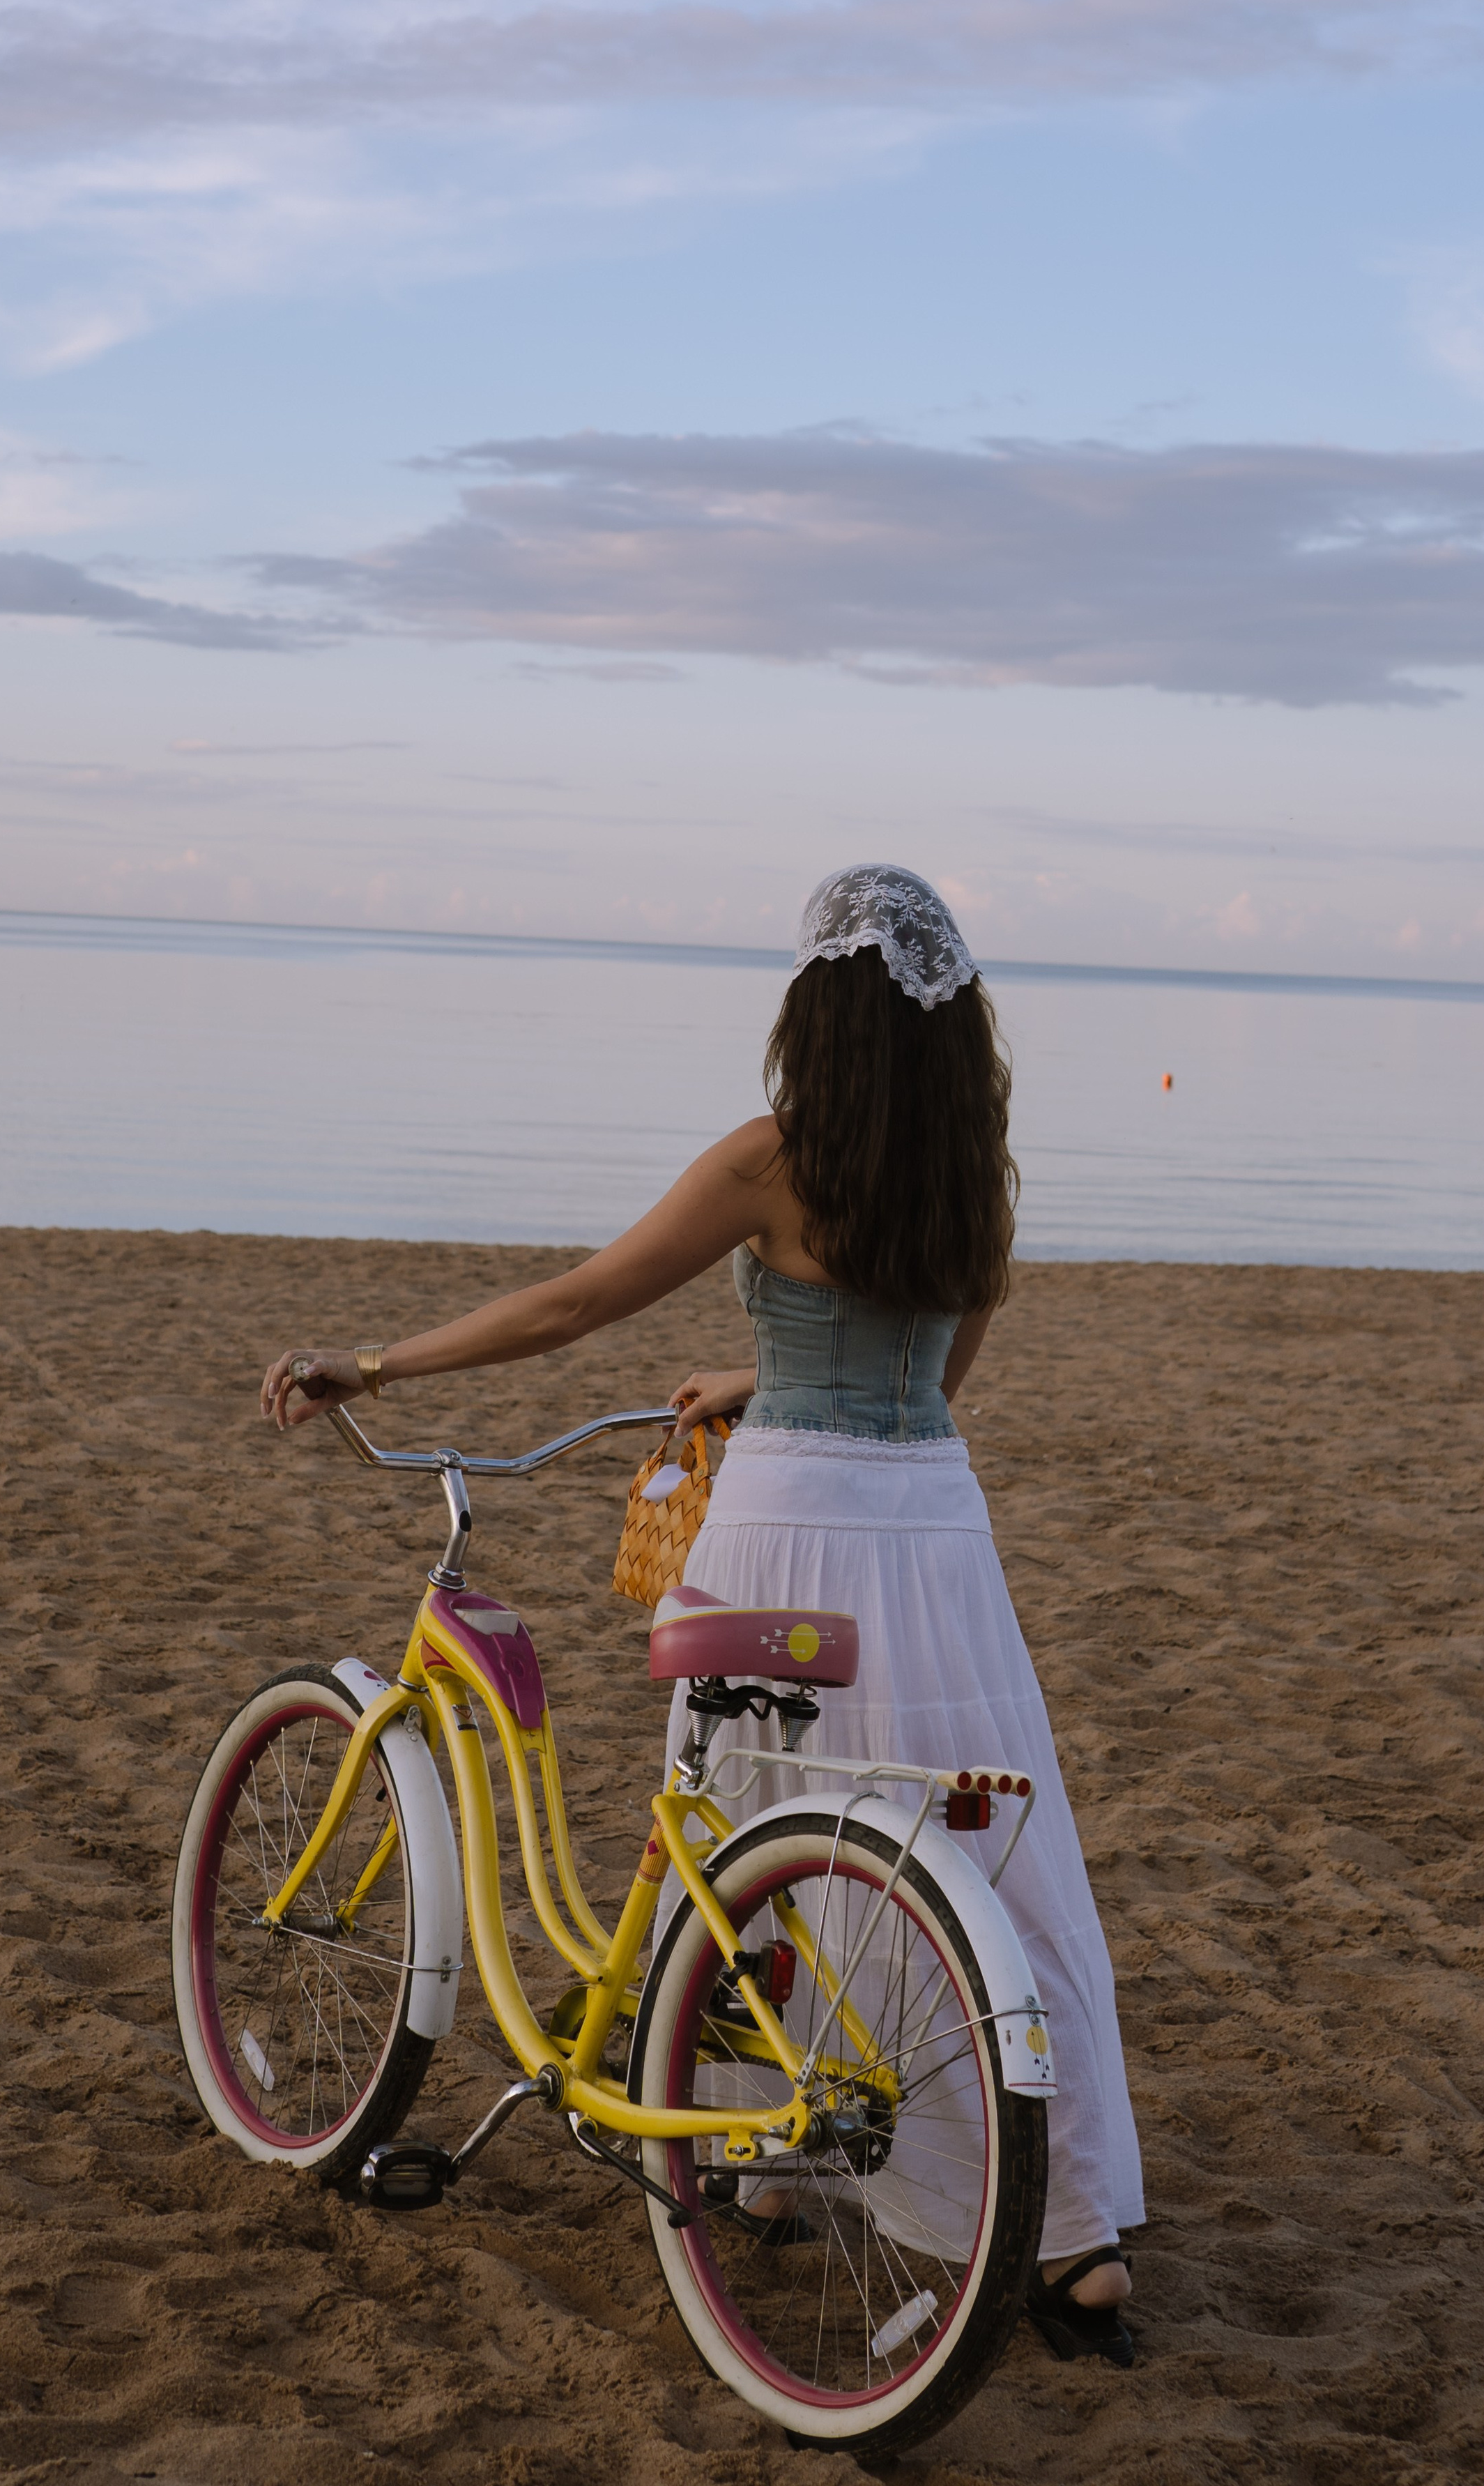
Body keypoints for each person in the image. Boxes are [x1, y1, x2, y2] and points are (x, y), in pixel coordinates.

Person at [261, 862, 1144, 2365]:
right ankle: (1065, 2238)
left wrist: (380, 1363)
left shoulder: (774, 1159)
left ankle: (766, 2164)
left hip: (788, 1525)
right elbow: (931, 1376)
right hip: (930, 1529)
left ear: (819, 1010)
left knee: (750, 1824)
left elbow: (579, 1304)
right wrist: (778, 1377)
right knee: (977, 1845)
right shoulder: (972, 1167)